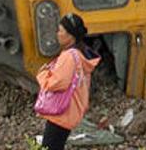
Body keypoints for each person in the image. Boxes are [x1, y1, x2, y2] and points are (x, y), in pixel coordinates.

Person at [35, 13, 100, 150]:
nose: (57, 33)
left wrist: (42, 74)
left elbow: (57, 83)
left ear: (70, 36)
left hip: (61, 113)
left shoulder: (68, 57)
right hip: (70, 112)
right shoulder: (81, 56)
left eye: (60, 30)